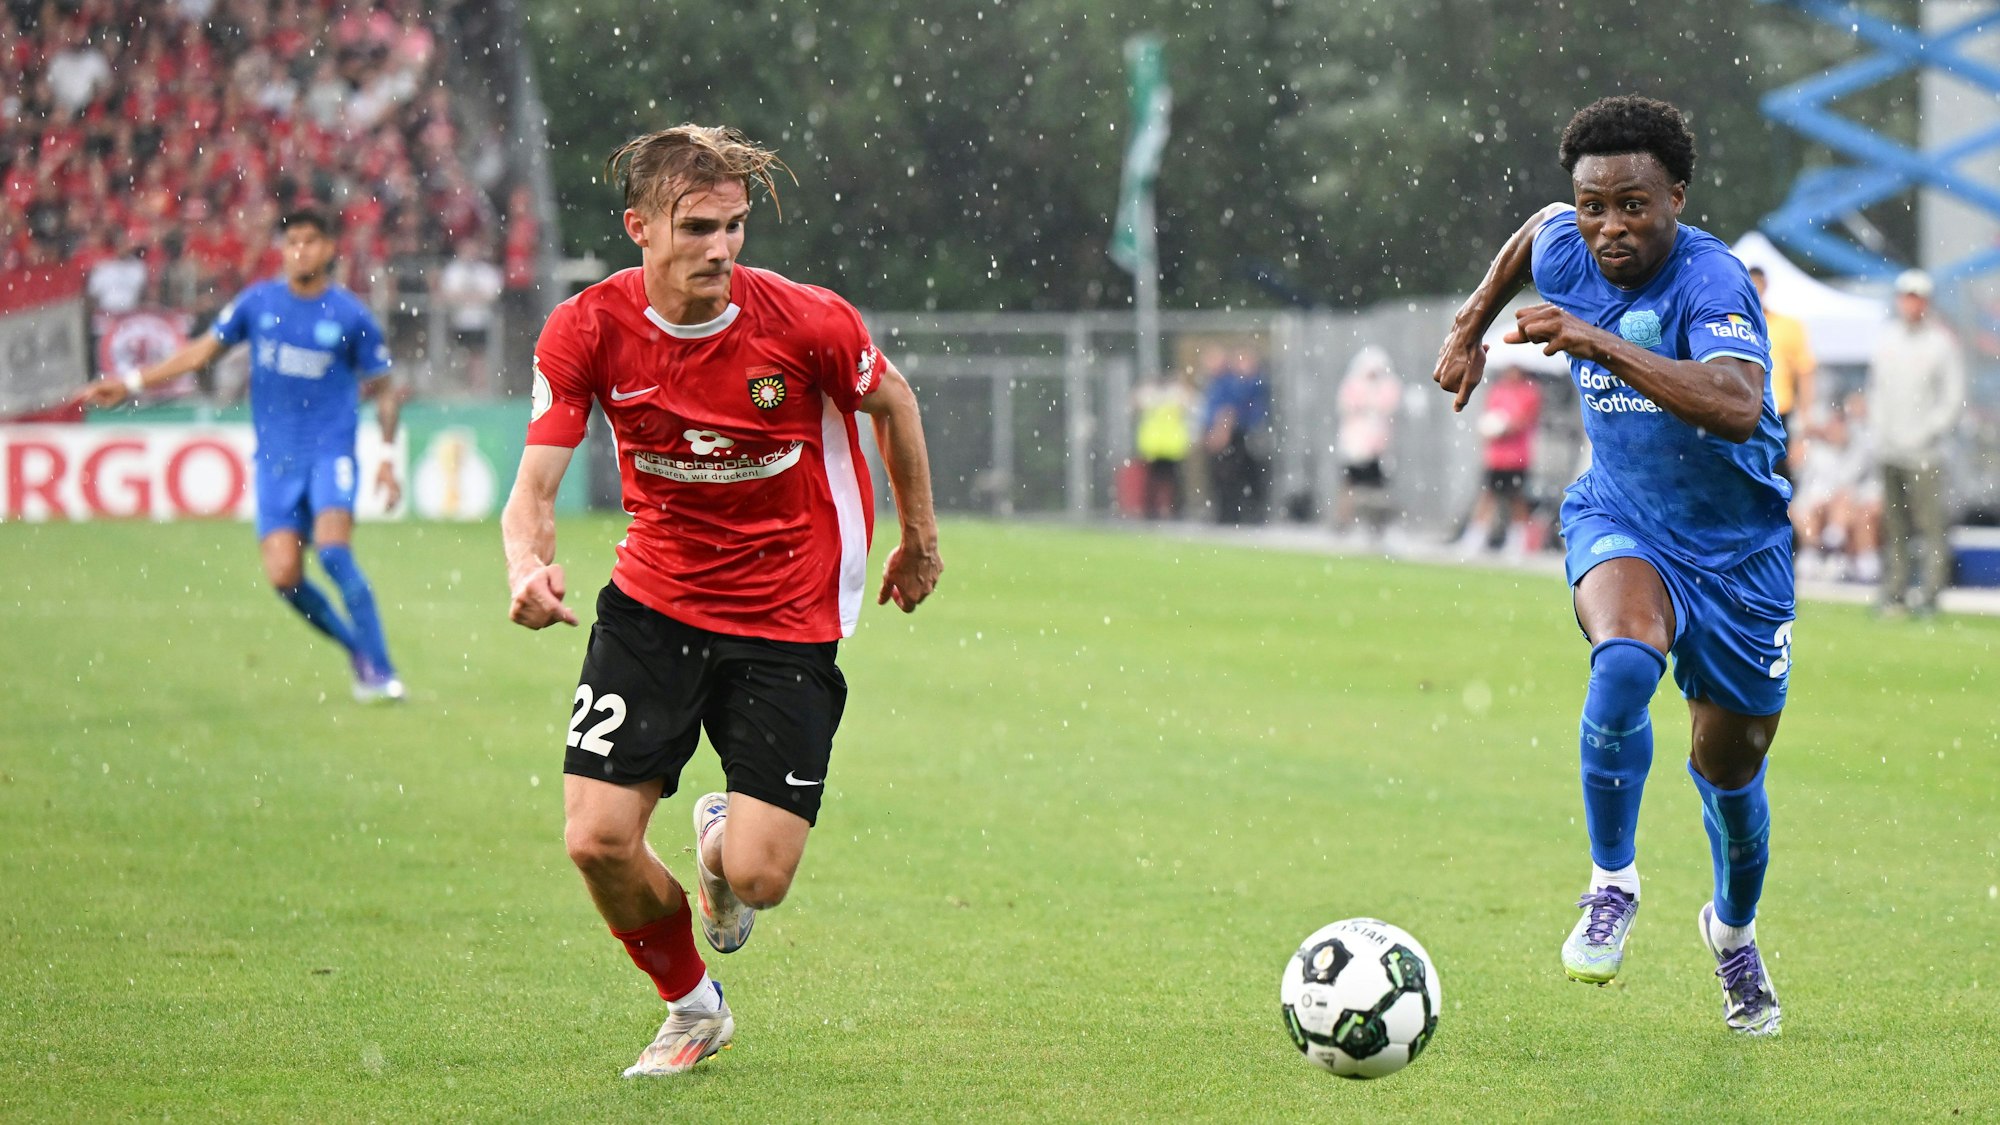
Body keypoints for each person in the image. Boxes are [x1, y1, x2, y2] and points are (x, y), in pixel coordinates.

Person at [499, 125, 942, 1078]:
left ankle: (718, 844)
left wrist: (920, 538)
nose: (721, 249)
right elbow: (533, 487)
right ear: (640, 227)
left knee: (759, 878)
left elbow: (895, 402)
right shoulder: (586, 328)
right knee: (596, 841)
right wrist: (524, 568)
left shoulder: (807, 322)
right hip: (653, 607)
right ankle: (693, 1006)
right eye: (698, 227)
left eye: (735, 227)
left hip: (786, 616)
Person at [1433, 96, 1790, 1036]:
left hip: (1739, 553)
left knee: (1733, 766)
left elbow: (1736, 402)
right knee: (1625, 659)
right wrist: (1471, 324)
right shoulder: (1567, 240)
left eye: (1632, 205)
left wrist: (1601, 342)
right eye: (1594, 205)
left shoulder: (1711, 281)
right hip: (1623, 513)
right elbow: (1534, 231)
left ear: (1676, 195)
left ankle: (1733, 933)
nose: (1607, 228)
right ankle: (1612, 881)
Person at [79, 207, 406, 702]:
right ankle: (357, 652)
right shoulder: (259, 303)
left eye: (310, 240)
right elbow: (201, 352)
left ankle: (382, 672)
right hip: (275, 462)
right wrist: (129, 383)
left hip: (328, 453)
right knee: (285, 578)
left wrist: (384, 456)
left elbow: (383, 389)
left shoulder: (350, 316)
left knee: (336, 554)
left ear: (330, 249)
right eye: (292, 240)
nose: (300, 250)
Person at [1865, 269, 1966, 618]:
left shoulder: (1941, 343)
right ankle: (1894, 591)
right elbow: (1876, 392)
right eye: (1907, 296)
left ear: (1926, 301)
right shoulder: (1887, 339)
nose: (1912, 303)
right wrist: (1880, 431)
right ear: (1899, 300)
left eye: (1918, 297)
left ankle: (1929, 594)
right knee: (1894, 527)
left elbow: (1953, 400)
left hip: (1925, 452)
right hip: (1890, 448)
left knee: (1930, 525)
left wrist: (1926, 431)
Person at [1464, 364, 1543, 553]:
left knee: (1516, 498)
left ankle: (1518, 541)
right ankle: (1475, 538)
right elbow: (1489, 416)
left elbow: (1525, 419)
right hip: (1496, 457)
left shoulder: (1530, 392)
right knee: (1488, 496)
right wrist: (1490, 427)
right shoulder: (1498, 390)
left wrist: (1505, 427)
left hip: (1517, 457)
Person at [1747, 266, 1817, 480]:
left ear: (1765, 286)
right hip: (1746, 410)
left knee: (1782, 476)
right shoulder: (1732, 325)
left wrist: (1804, 424)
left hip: (1780, 412)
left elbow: (1805, 373)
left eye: (1758, 285)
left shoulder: (1788, 325)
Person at [1333, 345, 1400, 540]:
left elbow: (1387, 407)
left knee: (1376, 489)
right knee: (1351, 485)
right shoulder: (1354, 385)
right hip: (1355, 445)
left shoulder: (1387, 387)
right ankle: (1345, 524)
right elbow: (1348, 407)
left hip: (1377, 447)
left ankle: (1375, 526)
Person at [1201, 349, 1270, 524]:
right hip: (1231, 433)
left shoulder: (1234, 383)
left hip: (1240, 434)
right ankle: (1229, 514)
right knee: (1226, 475)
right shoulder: (1219, 382)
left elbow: (1229, 411)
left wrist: (1220, 432)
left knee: (1237, 474)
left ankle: (1236, 514)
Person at [435, 236, 504, 392]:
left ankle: (479, 387)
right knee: (461, 356)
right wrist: (472, 297)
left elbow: (492, 294)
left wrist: (466, 297)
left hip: (481, 322)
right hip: (459, 322)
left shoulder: (486, 271)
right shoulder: (453, 270)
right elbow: (447, 294)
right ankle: (463, 388)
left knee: (479, 356)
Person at [1132, 369, 1194, 519]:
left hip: (1168, 446)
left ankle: (1170, 509)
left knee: (1171, 480)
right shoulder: (1152, 395)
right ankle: (1155, 509)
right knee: (1158, 480)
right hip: (1157, 446)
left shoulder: (1172, 395)